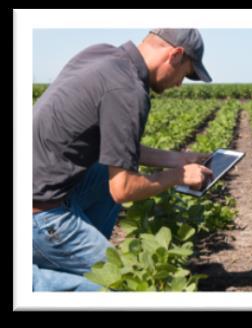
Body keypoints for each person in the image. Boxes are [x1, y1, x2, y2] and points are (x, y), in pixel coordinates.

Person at [32, 28, 213, 291]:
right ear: (175, 54)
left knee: (106, 170)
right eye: (184, 75)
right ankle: (35, 282)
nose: (178, 84)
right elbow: (123, 190)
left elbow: (119, 149)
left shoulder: (100, 54)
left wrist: (178, 159)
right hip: (39, 214)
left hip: (35, 187)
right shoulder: (129, 91)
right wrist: (179, 176)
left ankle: (72, 257)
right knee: (128, 285)